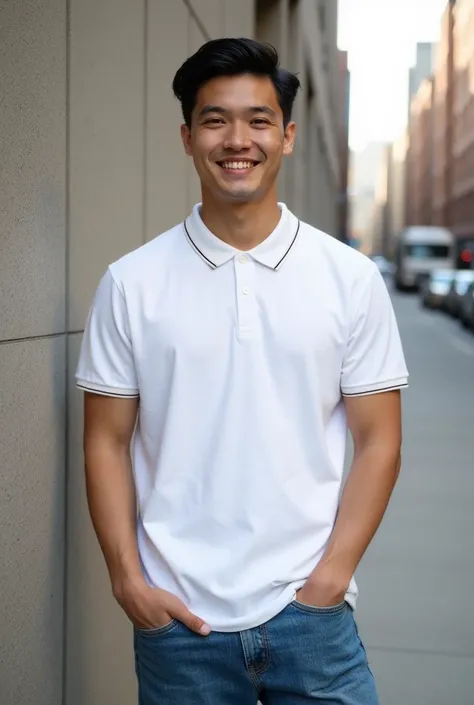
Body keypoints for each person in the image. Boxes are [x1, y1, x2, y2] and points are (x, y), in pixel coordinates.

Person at [76, 38, 409, 705]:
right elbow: (104, 440)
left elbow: (380, 440)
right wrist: (127, 580)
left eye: (258, 120)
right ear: (187, 136)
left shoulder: (348, 278)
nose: (238, 139)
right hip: (179, 626)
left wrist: (330, 578)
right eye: (215, 119)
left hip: (311, 616)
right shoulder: (131, 283)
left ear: (286, 137)